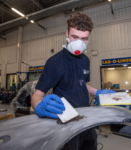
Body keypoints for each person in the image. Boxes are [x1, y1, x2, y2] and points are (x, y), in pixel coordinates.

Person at [31, 12, 115, 150]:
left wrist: (98, 92)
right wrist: (39, 107)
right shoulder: (54, 63)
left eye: (84, 39)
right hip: (65, 124)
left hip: (86, 120)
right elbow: (37, 95)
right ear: (67, 34)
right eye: (74, 37)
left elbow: (82, 83)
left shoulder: (85, 60)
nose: (78, 43)